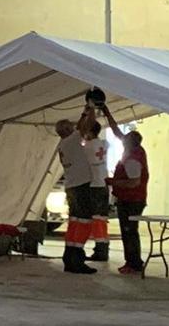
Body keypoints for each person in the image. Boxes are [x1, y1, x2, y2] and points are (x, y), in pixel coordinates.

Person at [101, 104, 148, 275]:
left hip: (132, 200)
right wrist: (106, 112)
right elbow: (116, 132)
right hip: (131, 198)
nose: (122, 139)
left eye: (125, 138)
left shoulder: (133, 160)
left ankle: (134, 263)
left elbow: (134, 183)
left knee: (129, 232)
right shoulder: (135, 150)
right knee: (129, 231)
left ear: (130, 143)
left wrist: (112, 182)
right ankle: (133, 262)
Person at [56, 107, 98, 274]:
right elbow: (86, 125)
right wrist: (89, 110)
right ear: (67, 130)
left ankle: (70, 258)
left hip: (72, 186)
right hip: (81, 186)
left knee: (74, 223)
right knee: (84, 222)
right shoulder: (71, 140)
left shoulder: (62, 145)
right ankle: (77, 259)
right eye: (69, 126)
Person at [82, 121, 111, 262]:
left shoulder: (88, 146)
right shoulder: (104, 144)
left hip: (94, 185)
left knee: (96, 219)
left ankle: (100, 251)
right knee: (102, 219)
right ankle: (103, 247)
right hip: (104, 184)